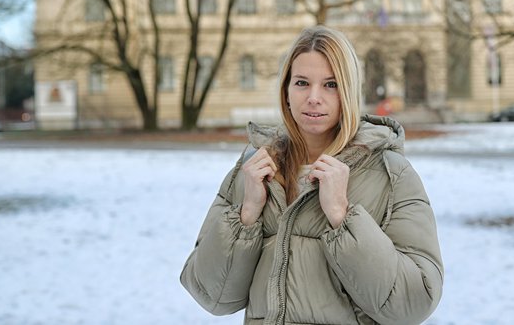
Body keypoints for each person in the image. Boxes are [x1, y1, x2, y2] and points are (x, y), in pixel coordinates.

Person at [180, 26, 443, 325]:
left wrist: (342, 217)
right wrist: (247, 214)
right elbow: (210, 295)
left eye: (330, 84)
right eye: (302, 83)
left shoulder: (391, 173)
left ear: (348, 92)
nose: (314, 98)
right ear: (287, 92)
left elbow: (414, 304)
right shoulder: (252, 168)